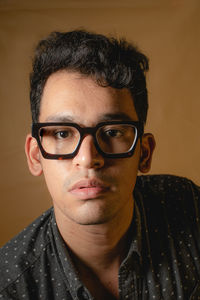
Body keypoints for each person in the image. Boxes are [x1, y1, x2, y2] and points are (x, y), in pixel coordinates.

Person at [0, 30, 200, 300]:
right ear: (36, 156)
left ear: (144, 153)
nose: (88, 158)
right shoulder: (10, 286)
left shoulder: (189, 207)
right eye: (62, 133)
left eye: (113, 132)